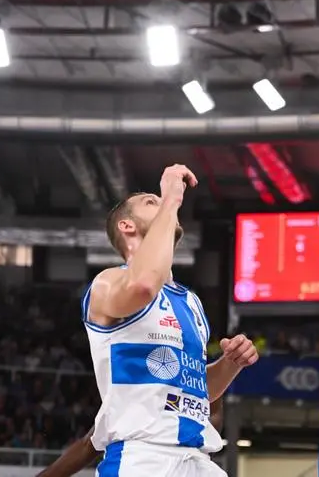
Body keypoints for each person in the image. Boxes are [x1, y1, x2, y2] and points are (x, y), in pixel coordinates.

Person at [81, 165, 259, 476]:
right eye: (151, 203)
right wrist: (171, 199)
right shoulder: (108, 283)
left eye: (159, 200)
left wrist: (231, 363)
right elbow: (144, 285)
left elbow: (194, 388)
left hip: (198, 457)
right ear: (126, 226)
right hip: (142, 457)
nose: (161, 204)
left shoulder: (190, 301)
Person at [37, 399, 224, 476]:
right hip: (140, 461)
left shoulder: (193, 370)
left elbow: (212, 422)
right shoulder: (129, 394)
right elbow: (89, 444)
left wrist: (230, 363)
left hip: (195, 461)